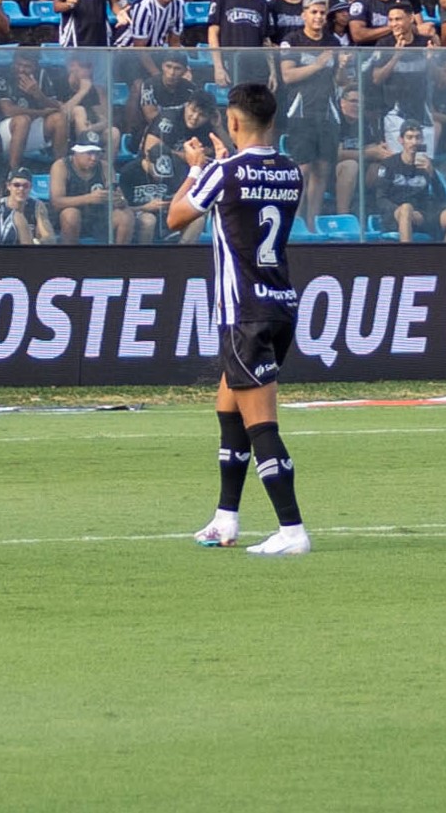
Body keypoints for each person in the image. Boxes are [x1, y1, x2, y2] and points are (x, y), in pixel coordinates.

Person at [172, 81, 309, 557]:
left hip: (243, 312)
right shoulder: (292, 171)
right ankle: (225, 520)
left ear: (232, 123)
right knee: (228, 408)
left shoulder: (223, 171)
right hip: (279, 304)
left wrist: (195, 171)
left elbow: (175, 218)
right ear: (272, 120)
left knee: (261, 424)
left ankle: (292, 530)